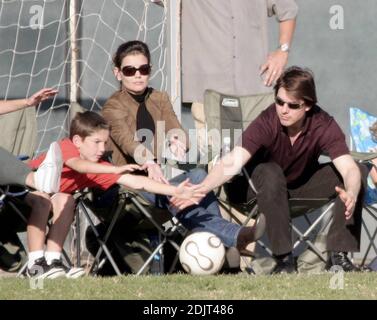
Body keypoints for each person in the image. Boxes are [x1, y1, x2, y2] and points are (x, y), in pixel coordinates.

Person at [173, 66, 369, 274]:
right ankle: (284, 260)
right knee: (270, 170)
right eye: (279, 102)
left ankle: (339, 258)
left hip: (296, 187)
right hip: (253, 190)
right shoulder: (268, 120)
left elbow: (347, 167)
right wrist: (201, 189)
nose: (284, 109)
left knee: (358, 170)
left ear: (308, 105)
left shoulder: (323, 124)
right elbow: (233, 160)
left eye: (292, 105)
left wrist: (352, 192)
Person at [101, 41, 265, 268]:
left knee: (197, 176)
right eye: (130, 70)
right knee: (181, 194)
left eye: (144, 69)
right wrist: (149, 162)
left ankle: (216, 247)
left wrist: (178, 139)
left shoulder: (159, 98)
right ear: (118, 73)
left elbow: (178, 132)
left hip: (156, 185)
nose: (138, 75)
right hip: (124, 189)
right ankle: (233, 240)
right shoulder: (112, 107)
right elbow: (127, 142)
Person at [181, 0, 298, 152]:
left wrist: (283, 51)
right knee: (216, 162)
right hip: (206, 93)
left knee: (260, 161)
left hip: (254, 92)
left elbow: (288, 9)